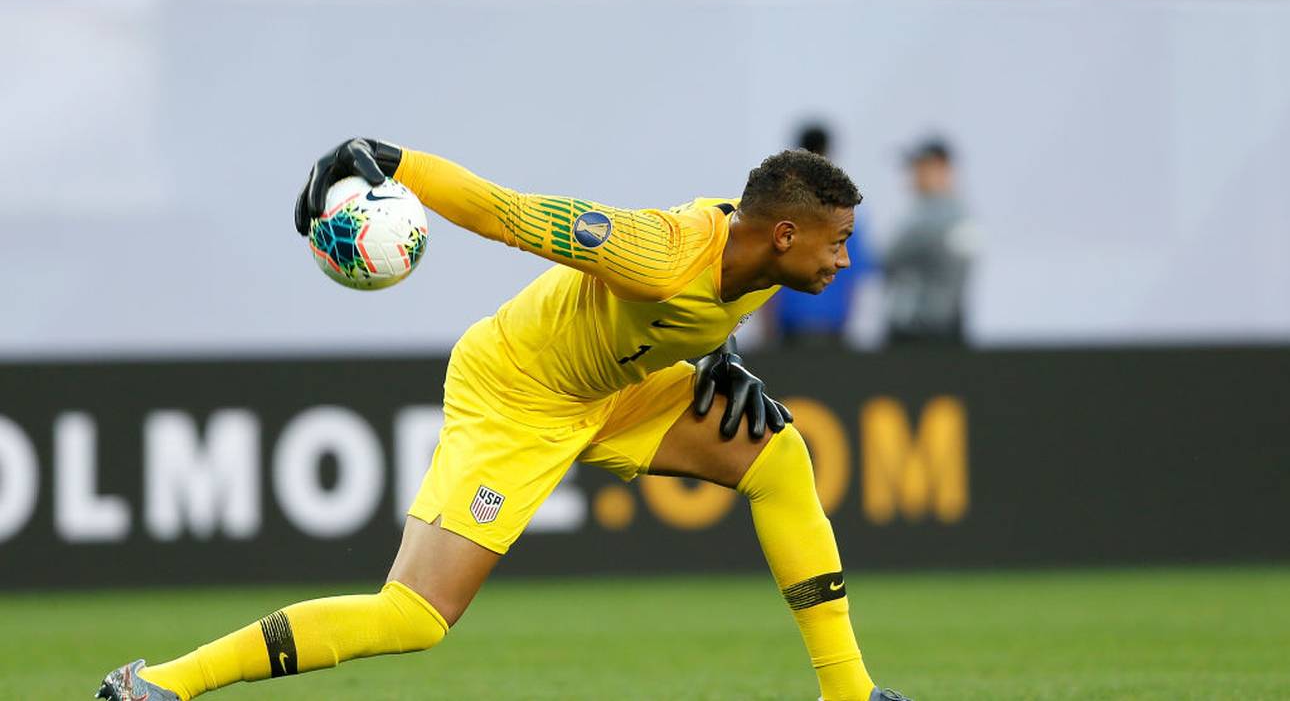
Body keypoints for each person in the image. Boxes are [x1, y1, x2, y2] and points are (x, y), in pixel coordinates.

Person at [95, 138, 912, 701]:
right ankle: (161, 684)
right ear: (784, 233)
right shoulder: (654, 250)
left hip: (611, 391)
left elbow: (702, 303)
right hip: (516, 394)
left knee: (777, 456)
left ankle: (847, 690)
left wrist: (718, 356)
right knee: (414, 616)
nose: (844, 260)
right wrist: (391, 161)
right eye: (837, 244)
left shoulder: (760, 256)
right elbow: (507, 212)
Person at [769, 123, 877, 348]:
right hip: (829, 323)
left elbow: (766, 271)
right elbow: (853, 275)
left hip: (791, 325)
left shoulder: (778, 209)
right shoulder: (847, 210)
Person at [883, 137, 973, 346]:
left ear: (943, 169)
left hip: (922, 330)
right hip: (937, 325)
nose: (915, 175)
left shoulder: (938, 217)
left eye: (922, 167)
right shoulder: (949, 214)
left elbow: (889, 258)